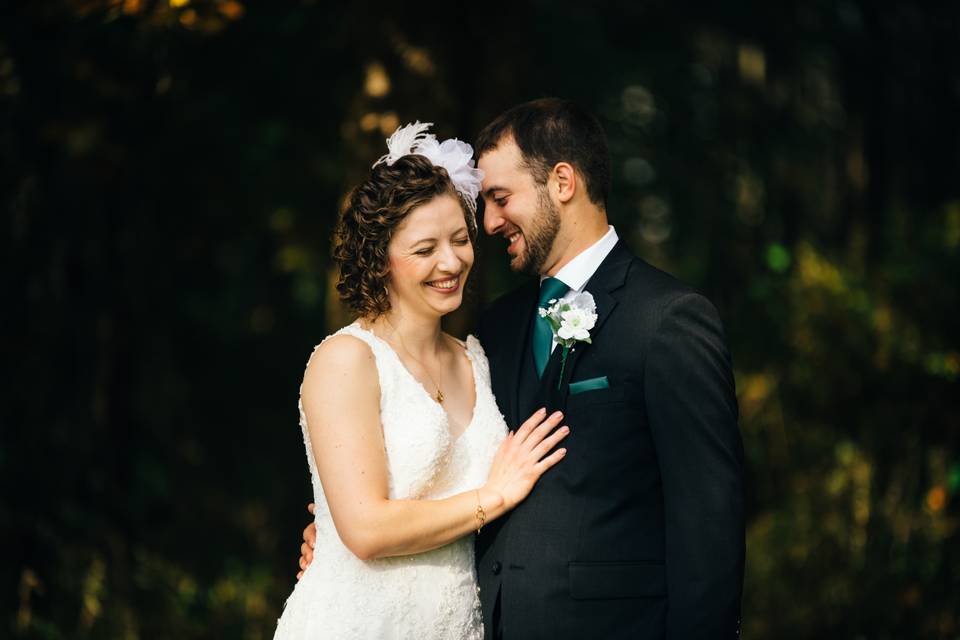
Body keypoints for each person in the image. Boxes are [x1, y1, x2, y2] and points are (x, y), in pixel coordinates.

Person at [299, 98, 745, 639]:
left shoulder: (667, 319)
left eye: (500, 199)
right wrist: (339, 533)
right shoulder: (495, 331)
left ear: (562, 182)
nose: (487, 224)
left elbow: (708, 522)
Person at [273, 122, 570, 640]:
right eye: (425, 249)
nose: (451, 262)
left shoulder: (476, 357)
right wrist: (493, 497)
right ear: (380, 259)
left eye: (460, 240)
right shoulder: (347, 360)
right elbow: (365, 530)